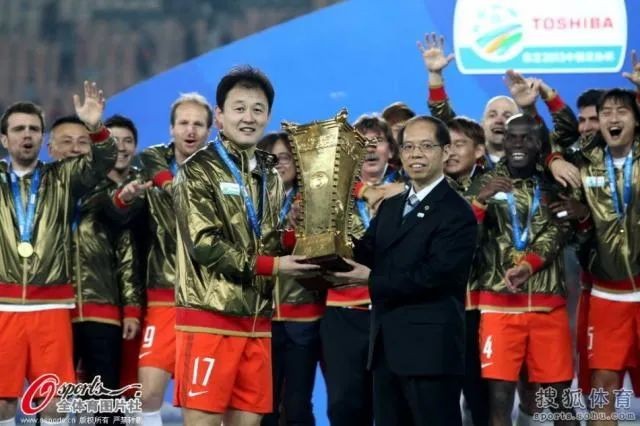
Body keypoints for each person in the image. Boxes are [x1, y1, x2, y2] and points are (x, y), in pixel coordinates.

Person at [172, 65, 320, 426]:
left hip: (257, 322)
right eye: (239, 108)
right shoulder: (197, 170)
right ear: (220, 116)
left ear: (268, 116)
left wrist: (301, 240)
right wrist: (274, 266)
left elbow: (267, 238)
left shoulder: (270, 174)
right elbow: (204, 244)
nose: (249, 118)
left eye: (258, 109)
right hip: (209, 318)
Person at [331, 115, 477, 426]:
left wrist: (371, 280)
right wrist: (326, 243)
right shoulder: (392, 205)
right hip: (386, 350)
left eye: (426, 146)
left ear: (445, 152)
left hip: (430, 353)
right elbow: (365, 251)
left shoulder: (457, 212)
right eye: (408, 147)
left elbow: (433, 277)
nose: (415, 154)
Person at [0, 81, 116, 426]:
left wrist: (95, 127)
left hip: (50, 306)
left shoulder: (63, 177)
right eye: (18, 129)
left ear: (42, 138)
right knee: (2, 402)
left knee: (54, 402)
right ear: (4, 139)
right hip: (2, 306)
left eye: (34, 129)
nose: (27, 135)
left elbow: (103, 161)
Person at [467, 114, 578, 426]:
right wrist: (479, 203)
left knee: (560, 402)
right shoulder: (484, 182)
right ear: (503, 141)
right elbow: (463, 239)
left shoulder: (553, 183)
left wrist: (529, 265)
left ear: (539, 144)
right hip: (499, 308)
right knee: (499, 403)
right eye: (511, 137)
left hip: (547, 307)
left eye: (526, 137)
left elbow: (560, 230)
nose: (518, 143)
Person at [115, 93, 213, 426]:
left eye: (198, 124)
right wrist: (126, 201)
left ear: (209, 130)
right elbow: (124, 221)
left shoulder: (220, 172)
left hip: (208, 300)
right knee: (146, 395)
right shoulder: (149, 165)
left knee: (203, 400)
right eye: (183, 123)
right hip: (163, 298)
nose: (190, 130)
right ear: (171, 128)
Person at [47, 114, 142, 424]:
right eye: (66, 142)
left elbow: (126, 254)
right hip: (54, 310)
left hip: (102, 310)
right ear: (51, 148)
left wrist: (131, 307)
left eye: (82, 142)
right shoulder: (40, 193)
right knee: (52, 396)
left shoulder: (109, 193)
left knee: (102, 402)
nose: (75, 148)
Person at [562, 88, 640, 423]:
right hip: (608, 295)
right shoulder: (583, 163)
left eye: (622, 111)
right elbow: (548, 146)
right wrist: (554, 161)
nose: (612, 118)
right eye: (606, 112)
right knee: (602, 386)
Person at [321, 115, 403, 426]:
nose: (369, 148)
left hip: (392, 312)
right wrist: (360, 190)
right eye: (361, 142)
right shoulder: (331, 193)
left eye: (377, 141)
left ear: (390, 150)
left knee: (390, 405)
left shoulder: (408, 192)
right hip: (344, 313)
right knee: (345, 405)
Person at [258, 132, 325, 426]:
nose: (280, 165)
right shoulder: (251, 201)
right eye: (272, 159)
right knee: (265, 406)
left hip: (303, 316)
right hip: (262, 318)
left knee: (297, 404)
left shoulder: (313, 200)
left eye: (285, 158)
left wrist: (298, 226)